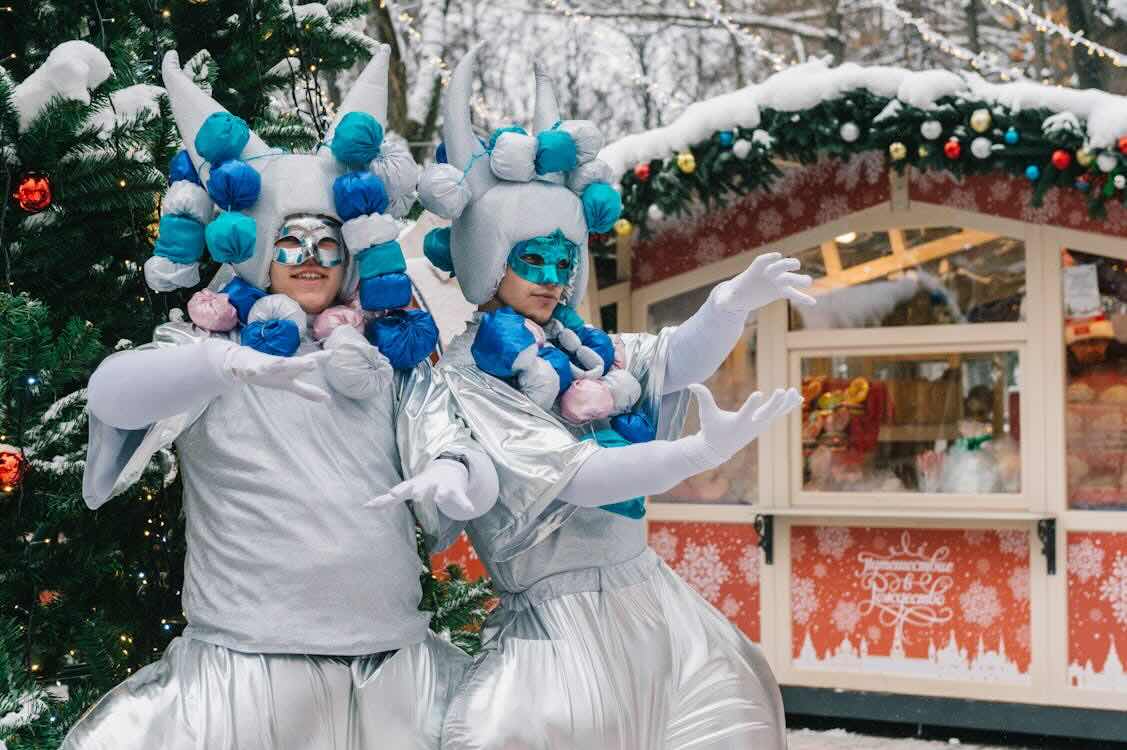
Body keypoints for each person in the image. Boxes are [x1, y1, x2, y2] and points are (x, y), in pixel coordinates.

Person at [65, 47, 498, 750]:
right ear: (259, 251)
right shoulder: (205, 355)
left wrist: (457, 475)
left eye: (327, 243)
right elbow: (112, 395)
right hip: (246, 674)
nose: (308, 258)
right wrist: (222, 362)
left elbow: (459, 447)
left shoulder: (387, 360)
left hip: (389, 673)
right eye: (289, 241)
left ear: (352, 251)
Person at [410, 46, 812, 750]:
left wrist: (730, 300)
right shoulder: (468, 381)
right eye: (526, 259)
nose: (547, 277)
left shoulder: (584, 350)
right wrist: (696, 451)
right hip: (554, 638)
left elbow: (675, 358)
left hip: (654, 606)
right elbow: (586, 477)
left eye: (560, 260)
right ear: (486, 261)